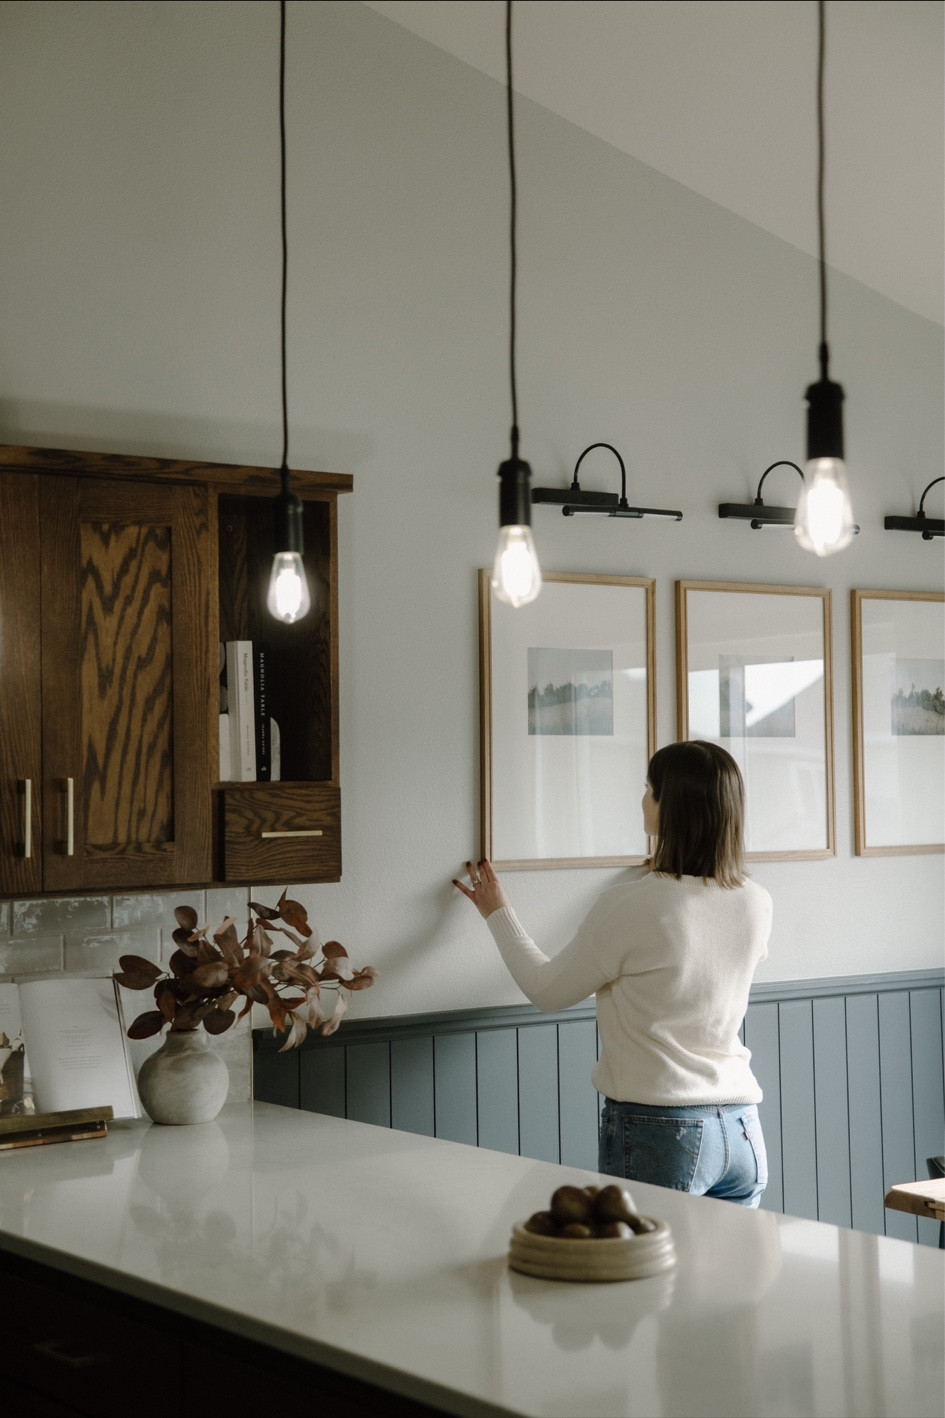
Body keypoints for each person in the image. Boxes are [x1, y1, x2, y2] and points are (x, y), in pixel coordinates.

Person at [453, 740, 772, 1207]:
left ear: (671, 807)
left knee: (642, 1258)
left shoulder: (632, 904)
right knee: (725, 1260)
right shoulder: (756, 902)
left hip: (663, 1130)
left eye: (649, 789)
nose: (643, 799)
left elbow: (547, 991)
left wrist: (497, 912)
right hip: (742, 1131)